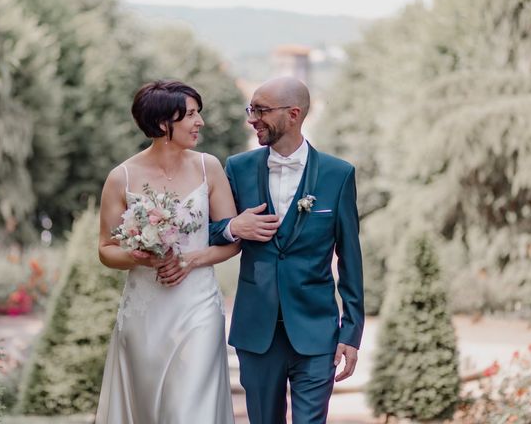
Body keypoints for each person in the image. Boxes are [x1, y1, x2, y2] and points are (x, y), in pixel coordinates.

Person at [209, 77, 364, 424]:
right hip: (257, 331)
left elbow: (350, 258)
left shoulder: (338, 174)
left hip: (316, 331)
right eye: (251, 109)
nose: (252, 119)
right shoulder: (237, 167)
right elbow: (206, 231)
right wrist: (234, 227)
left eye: (261, 110)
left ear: (293, 114)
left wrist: (351, 333)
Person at [95, 80, 239, 423]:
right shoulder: (122, 177)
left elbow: (232, 238)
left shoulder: (209, 167)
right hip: (146, 311)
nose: (199, 122)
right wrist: (139, 255)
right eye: (190, 115)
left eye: (198, 113)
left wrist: (191, 260)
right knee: (151, 410)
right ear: (163, 124)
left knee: (191, 409)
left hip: (198, 305)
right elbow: (105, 249)